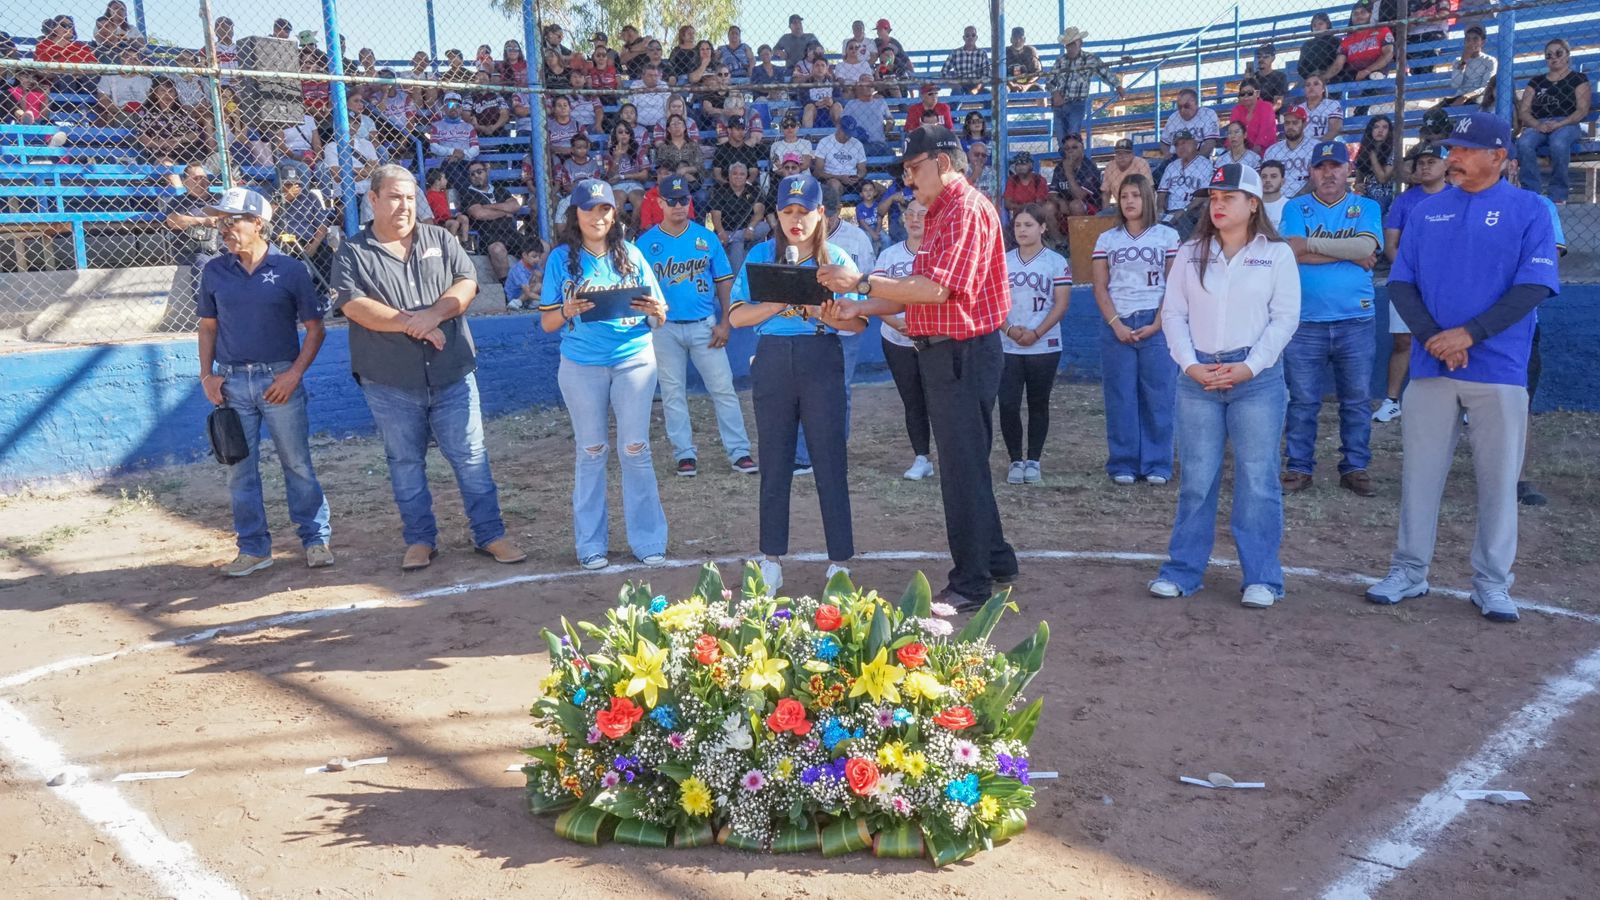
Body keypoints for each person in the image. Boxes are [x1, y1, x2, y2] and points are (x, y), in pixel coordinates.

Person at [1366, 112, 1560, 624]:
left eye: (1465, 150)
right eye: (1451, 149)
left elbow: (1534, 286)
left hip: (1499, 368)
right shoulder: (1427, 210)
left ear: (1499, 156)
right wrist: (1436, 338)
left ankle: (1492, 582)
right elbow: (1401, 282)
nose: (1453, 157)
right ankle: (1409, 570)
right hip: (1432, 365)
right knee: (1420, 476)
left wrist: (1469, 334)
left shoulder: (1531, 209)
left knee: (1498, 482)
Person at [817, 125, 1019, 610]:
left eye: (913, 168)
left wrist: (861, 285)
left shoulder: (963, 209)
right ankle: (995, 558)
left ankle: (971, 582)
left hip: (961, 351)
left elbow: (935, 290)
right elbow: (919, 289)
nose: (907, 179)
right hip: (950, 351)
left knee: (961, 468)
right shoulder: (946, 210)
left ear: (942, 163)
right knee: (965, 462)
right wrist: (862, 307)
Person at [332, 165, 525, 571]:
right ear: (373, 199)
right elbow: (354, 306)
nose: (404, 206)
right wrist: (413, 323)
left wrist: (433, 316)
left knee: (471, 457)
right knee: (405, 463)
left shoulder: (439, 237)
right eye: (394, 197)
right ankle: (420, 540)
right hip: (390, 381)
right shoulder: (353, 251)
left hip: (452, 373)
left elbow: (466, 283)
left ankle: (490, 534)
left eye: (409, 197)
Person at [1150, 163, 1300, 608]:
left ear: (1253, 204)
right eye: (1214, 198)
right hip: (1199, 377)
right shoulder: (1190, 252)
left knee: (1258, 478)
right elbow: (1173, 313)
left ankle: (1262, 578)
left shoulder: (1277, 255)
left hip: (1256, 380)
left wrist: (1250, 367)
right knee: (1197, 479)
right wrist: (1190, 365)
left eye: (1228, 197)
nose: (1217, 205)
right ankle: (1183, 571)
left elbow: (1284, 319)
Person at [729, 173, 865, 592]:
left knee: (829, 461)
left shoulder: (836, 260)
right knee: (774, 462)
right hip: (772, 358)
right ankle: (770, 559)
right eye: (787, 211)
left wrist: (824, 314)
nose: (795, 220)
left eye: (804, 212)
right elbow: (737, 316)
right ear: (776, 214)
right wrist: (777, 303)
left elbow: (858, 324)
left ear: (820, 213)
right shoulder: (760, 255)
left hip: (820, 355)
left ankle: (839, 562)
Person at [196, 187, 332, 577]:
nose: (224, 229)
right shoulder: (214, 271)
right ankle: (253, 549)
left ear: (258, 223)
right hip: (232, 384)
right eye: (221, 222)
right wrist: (207, 376)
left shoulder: (290, 270)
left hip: (279, 381)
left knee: (297, 463)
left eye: (231, 221)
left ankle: (315, 540)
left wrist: (293, 374)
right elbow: (207, 327)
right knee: (239, 469)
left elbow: (316, 329)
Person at [537, 178, 671, 569]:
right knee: (591, 451)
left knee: (635, 449)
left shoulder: (632, 253)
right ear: (575, 215)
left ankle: (648, 539)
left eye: (604, 209)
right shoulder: (560, 259)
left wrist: (656, 312)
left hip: (633, 358)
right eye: (589, 209)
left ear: (614, 214)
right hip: (582, 364)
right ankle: (590, 544)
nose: (597, 217)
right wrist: (566, 311)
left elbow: (659, 315)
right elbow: (547, 323)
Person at [1277, 141, 1384, 497]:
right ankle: (1299, 467)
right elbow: (1290, 251)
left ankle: (1355, 467)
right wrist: (1348, 252)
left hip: (1355, 318)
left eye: (1335, 166)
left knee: (1356, 399)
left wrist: (1311, 245)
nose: (1328, 173)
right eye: (1320, 167)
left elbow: (1365, 249)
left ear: (1348, 170)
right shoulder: (1296, 207)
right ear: (1310, 172)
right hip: (1305, 320)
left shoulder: (1365, 206)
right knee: (1303, 400)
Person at [637, 175, 757, 478]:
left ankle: (739, 451)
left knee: (723, 389)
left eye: (683, 199)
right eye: (672, 200)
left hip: (705, 325)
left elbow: (724, 281)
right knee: (673, 393)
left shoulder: (706, 238)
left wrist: (725, 322)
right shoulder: (646, 243)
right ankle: (685, 454)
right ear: (660, 202)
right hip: (664, 329)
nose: (678, 205)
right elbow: (637, 290)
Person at [1092, 174, 1180, 485]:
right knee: (1121, 396)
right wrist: (1116, 324)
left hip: (1157, 321)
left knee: (1159, 395)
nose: (1129, 201)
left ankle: (1157, 463)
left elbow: (1175, 284)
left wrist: (1158, 322)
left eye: (1136, 195)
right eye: (1124, 195)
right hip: (1118, 323)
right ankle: (1123, 462)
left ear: (1148, 198)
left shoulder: (1168, 236)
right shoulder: (1107, 239)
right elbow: (1100, 287)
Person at [1374, 143, 1451, 424]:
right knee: (1403, 341)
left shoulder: (1461, 197)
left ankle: (1459, 402)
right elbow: (1390, 245)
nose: (1425, 166)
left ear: (1446, 165)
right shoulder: (1404, 201)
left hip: (1449, 285)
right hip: (1408, 283)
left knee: (1452, 339)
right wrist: (1413, 274)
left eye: (1432, 161)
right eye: (1421, 162)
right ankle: (1392, 401)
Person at [998, 205, 1072, 485]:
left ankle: (1034, 461)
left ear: (1042, 228)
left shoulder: (1055, 262)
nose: (1022, 230)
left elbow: (1061, 304)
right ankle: (1015, 460)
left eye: (1028, 225)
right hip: (1008, 343)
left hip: (1044, 344)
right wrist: (1008, 329)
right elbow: (992, 302)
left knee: (1038, 403)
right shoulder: (1003, 261)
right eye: (1018, 225)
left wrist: (1037, 332)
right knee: (1008, 404)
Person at [872, 198, 935, 480]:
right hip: (896, 338)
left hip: (934, 340)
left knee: (938, 400)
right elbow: (876, 295)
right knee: (912, 399)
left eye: (922, 214)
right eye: (910, 214)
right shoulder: (889, 256)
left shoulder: (940, 254)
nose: (915, 219)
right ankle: (922, 457)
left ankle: (951, 456)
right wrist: (896, 323)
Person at [1516, 38, 1591, 205]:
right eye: (1549, 55)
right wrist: (1537, 124)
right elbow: (1524, 111)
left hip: (1568, 123)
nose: (1554, 57)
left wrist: (1560, 124)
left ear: (1567, 55)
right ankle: (1531, 192)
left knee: (1558, 142)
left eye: (1558, 53)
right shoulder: (1536, 82)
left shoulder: (1578, 78)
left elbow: (1582, 110)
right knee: (1524, 143)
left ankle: (1558, 193)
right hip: (1540, 123)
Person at [1048, 26, 1124, 141]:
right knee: (1062, 139)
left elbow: (1104, 73)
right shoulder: (1060, 60)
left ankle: (1074, 151)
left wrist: (1117, 86)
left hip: (1077, 103)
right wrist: (1055, 94)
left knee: (1072, 137)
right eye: (1068, 45)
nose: (1070, 47)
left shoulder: (1090, 59)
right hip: (1059, 105)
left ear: (1080, 43)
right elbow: (1050, 80)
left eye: (1072, 44)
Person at [462, 161, 523, 283]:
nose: (476, 176)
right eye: (472, 174)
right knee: (497, 249)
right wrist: (505, 211)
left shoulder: (500, 190)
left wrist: (487, 207)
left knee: (543, 246)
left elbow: (515, 205)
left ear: (487, 171)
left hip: (511, 233)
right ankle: (506, 287)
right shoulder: (468, 194)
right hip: (488, 236)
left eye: (479, 172)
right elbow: (479, 214)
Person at [708, 161, 768, 272]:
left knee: (765, 226)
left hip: (748, 230)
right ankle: (738, 277)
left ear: (746, 177)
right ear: (729, 176)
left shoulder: (753, 190)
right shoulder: (720, 191)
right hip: (727, 230)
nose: (738, 177)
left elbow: (759, 212)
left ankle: (734, 238)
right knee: (738, 246)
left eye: (742, 174)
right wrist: (720, 232)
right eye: (735, 173)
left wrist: (751, 227)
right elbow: (715, 215)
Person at [1157, 131, 1213, 222]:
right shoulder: (1171, 166)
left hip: (1192, 211)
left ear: (1194, 144)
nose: (1181, 147)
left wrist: (1184, 210)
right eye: (1177, 145)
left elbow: (1205, 195)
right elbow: (1161, 193)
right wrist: (1160, 208)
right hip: (1170, 211)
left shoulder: (1205, 165)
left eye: (1184, 143)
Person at [1049, 133, 1103, 221]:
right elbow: (1052, 194)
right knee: (1049, 207)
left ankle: (1080, 231)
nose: (1070, 151)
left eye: (1074, 147)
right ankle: (1055, 231)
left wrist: (1068, 172)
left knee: (1076, 205)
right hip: (1066, 205)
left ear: (1082, 148)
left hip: (1089, 208)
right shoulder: (1059, 167)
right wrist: (1060, 201)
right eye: (1067, 148)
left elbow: (1079, 196)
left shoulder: (1090, 167)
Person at [1442, 25, 1497, 109]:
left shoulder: (1489, 60)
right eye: (1468, 39)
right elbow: (1455, 84)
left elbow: (1487, 86)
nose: (1471, 42)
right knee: (1433, 113)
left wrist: (1467, 96)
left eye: (1475, 39)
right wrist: (1463, 62)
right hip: (1459, 97)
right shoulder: (1458, 61)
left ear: (1482, 42)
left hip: (1478, 98)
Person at [1161, 89, 1221, 164]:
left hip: (1200, 156)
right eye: (1179, 107)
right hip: (1175, 158)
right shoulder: (1173, 117)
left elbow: (1210, 142)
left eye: (1186, 106)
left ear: (1196, 104)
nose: (1182, 110)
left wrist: (1196, 160)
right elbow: (1164, 142)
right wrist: (1167, 154)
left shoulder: (1208, 114)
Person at [1264, 105, 1313, 197]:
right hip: (1278, 198)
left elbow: (1316, 179)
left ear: (1304, 124)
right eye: (1287, 123)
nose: (1290, 126)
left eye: (1295, 123)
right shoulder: (1272, 151)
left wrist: (1297, 198)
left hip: (1306, 198)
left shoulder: (1314, 147)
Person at [1352, 114, 1396, 214]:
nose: (1380, 130)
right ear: (1370, 130)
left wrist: (1372, 155)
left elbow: (1382, 178)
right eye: (1376, 127)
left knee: (1374, 208)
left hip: (1384, 197)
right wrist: (1357, 186)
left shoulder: (1393, 151)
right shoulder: (1364, 151)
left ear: (1389, 132)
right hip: (1366, 195)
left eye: (1385, 127)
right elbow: (1358, 180)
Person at [813, 118, 866, 196]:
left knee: (879, 188)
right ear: (838, 127)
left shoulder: (857, 144)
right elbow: (818, 172)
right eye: (845, 133)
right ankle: (836, 204)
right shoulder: (825, 142)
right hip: (832, 178)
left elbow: (862, 170)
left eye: (850, 134)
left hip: (853, 180)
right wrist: (840, 177)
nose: (847, 137)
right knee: (834, 185)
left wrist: (857, 177)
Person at [1102, 138, 1155, 216]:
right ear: (1115, 155)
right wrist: (1106, 210)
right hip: (1120, 206)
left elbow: (1150, 189)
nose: (1122, 156)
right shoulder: (1110, 166)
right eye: (1119, 153)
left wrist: (1148, 210)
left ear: (1132, 154)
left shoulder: (1141, 163)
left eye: (1126, 153)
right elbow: (1106, 193)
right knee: (1100, 216)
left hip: (1140, 205)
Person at [1227, 78, 1277, 154]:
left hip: (1265, 153)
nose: (1246, 96)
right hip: (1241, 153)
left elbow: (1265, 135)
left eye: (1250, 93)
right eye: (1242, 94)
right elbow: (1232, 134)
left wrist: (1250, 156)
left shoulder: (1266, 107)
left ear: (1257, 93)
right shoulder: (1237, 110)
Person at [942, 25, 990, 96]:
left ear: (976, 37)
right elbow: (944, 71)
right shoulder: (955, 53)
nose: (970, 38)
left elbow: (987, 74)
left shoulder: (982, 53)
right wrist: (954, 84)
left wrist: (976, 89)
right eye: (967, 35)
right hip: (960, 86)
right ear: (964, 38)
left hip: (977, 86)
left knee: (990, 95)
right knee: (956, 93)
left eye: (973, 35)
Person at [503, 238, 546, 311]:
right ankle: (517, 302)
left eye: (539, 256)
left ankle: (531, 302)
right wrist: (545, 299)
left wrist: (539, 276)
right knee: (539, 286)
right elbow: (528, 292)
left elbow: (542, 279)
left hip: (528, 291)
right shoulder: (519, 270)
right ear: (524, 255)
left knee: (540, 283)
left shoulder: (534, 265)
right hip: (515, 296)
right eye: (534, 256)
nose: (537, 259)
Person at [1301, 74, 1344, 142]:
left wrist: (1318, 144)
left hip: (1326, 144)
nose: (1311, 87)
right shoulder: (1299, 108)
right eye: (1308, 85)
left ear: (1323, 88)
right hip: (1303, 145)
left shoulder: (1332, 105)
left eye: (1316, 84)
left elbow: (1335, 129)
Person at [1249, 43, 1288, 108]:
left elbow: (1278, 103)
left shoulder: (1280, 77)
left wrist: (1266, 113)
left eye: (1266, 57)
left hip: (1272, 112)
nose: (1261, 59)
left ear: (1273, 58)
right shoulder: (1252, 78)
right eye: (1259, 57)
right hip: (1253, 112)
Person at [1007, 27, 1043, 92]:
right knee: (1003, 90)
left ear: (1024, 39)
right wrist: (1011, 85)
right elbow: (1000, 74)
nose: (1018, 41)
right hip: (1009, 84)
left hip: (1028, 84)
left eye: (1020, 38)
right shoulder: (1005, 52)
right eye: (1015, 38)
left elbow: (1037, 73)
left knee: (1039, 90)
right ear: (1011, 40)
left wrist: (1025, 86)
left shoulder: (1030, 51)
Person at [1258, 160, 1288, 227]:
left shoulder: (1290, 205)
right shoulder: (1252, 204)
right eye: (1264, 177)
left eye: (1273, 176)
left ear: (1283, 181)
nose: (1267, 180)